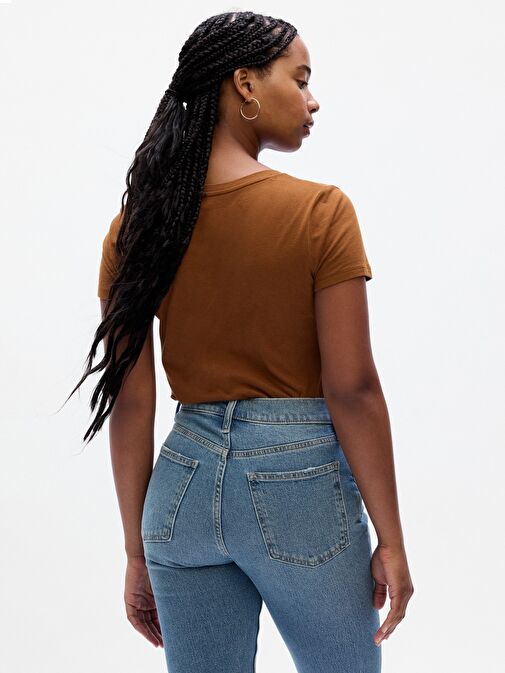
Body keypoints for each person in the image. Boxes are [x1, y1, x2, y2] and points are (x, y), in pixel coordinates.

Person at [69, 10, 414, 673]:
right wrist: (391, 538)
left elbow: (131, 402)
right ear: (245, 84)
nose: (312, 100)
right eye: (300, 79)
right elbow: (352, 387)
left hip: (181, 485)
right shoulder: (320, 212)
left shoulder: (137, 227)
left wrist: (137, 550)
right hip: (298, 483)